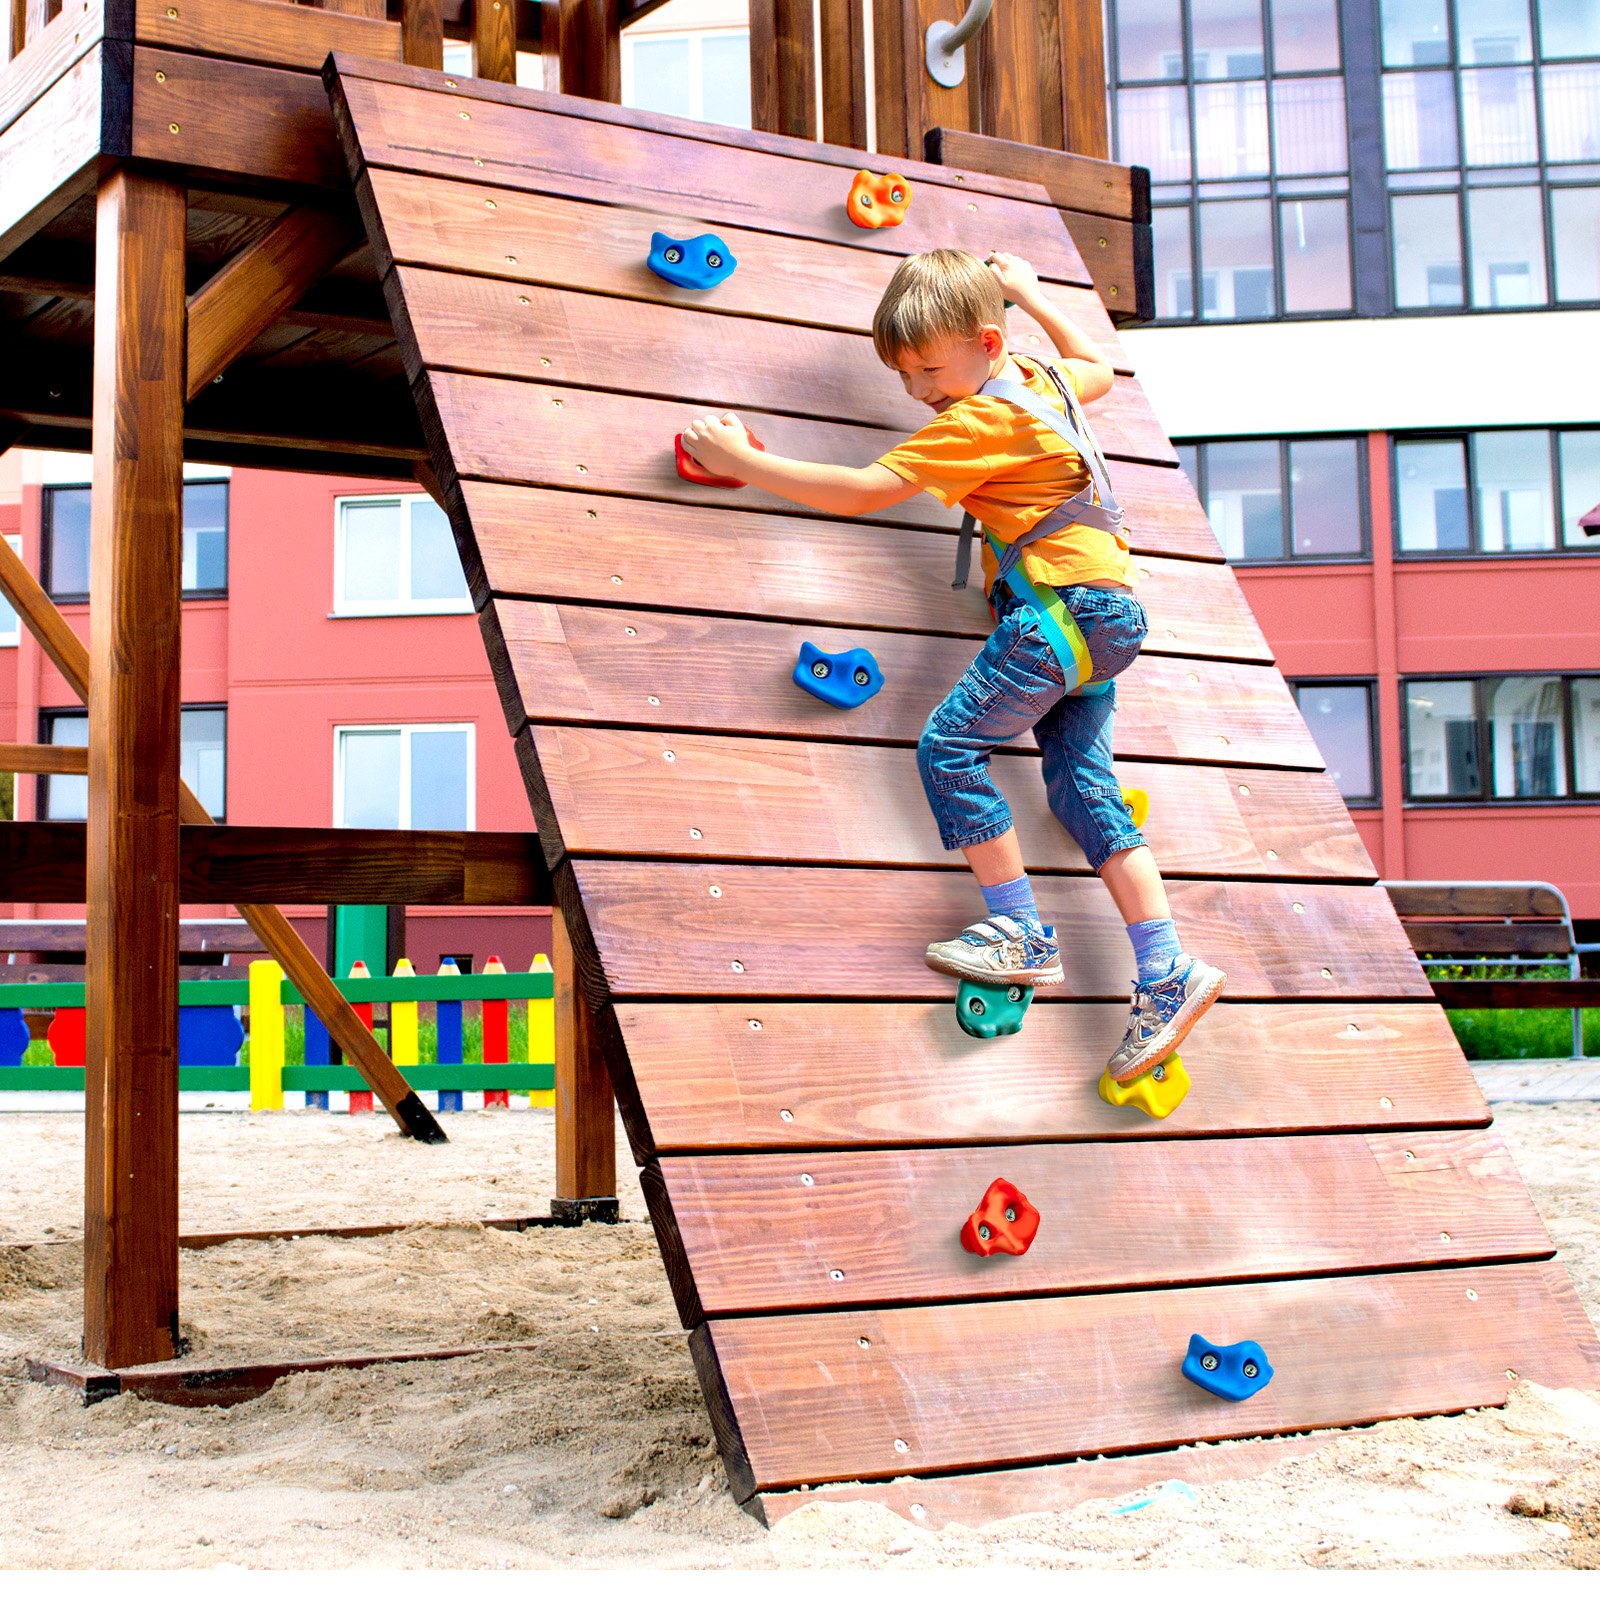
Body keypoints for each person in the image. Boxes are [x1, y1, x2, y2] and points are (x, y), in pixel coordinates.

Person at [679, 247, 1225, 1080]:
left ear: (984, 346)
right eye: (903, 375)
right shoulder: (1038, 384)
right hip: (1110, 617)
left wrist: (744, 463)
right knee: (1084, 791)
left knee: (951, 748)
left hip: (1058, 612)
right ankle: (1165, 968)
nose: (919, 390)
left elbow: (863, 490)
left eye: (929, 367)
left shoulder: (979, 423)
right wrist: (1033, 296)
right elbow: (1096, 368)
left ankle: (1017, 930)